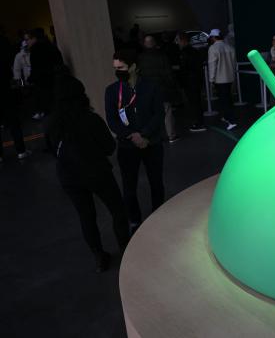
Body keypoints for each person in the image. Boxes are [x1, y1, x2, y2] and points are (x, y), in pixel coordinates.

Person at [47, 74, 129, 272]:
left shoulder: (52, 124)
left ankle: (99, 257)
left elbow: (51, 150)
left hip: (69, 177)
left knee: (86, 216)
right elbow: (109, 147)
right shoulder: (90, 119)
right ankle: (126, 250)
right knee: (117, 210)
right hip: (97, 172)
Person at [105, 49, 165, 233]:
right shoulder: (112, 91)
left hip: (151, 143)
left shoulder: (151, 86)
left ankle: (160, 214)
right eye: (115, 68)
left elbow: (159, 114)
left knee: (156, 182)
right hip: (127, 146)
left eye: (121, 67)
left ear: (133, 67)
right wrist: (133, 136)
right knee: (129, 186)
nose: (118, 71)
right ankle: (135, 220)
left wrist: (145, 135)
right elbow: (112, 120)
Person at [137, 35, 178, 142]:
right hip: (162, 88)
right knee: (167, 112)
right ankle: (171, 135)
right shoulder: (162, 56)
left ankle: (154, 136)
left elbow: (139, 75)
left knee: (150, 114)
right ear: (154, 43)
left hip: (147, 90)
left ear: (145, 44)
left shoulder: (140, 58)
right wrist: (172, 85)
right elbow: (169, 74)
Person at [0, 28, 30, 163]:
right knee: (13, 121)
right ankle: (21, 150)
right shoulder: (4, 43)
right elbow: (12, 62)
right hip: (5, 88)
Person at [27, 27, 64, 120]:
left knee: (50, 113)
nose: (27, 42)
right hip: (56, 81)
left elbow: (36, 70)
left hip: (44, 84)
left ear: (34, 38)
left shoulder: (35, 50)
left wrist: (30, 79)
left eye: (28, 39)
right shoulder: (50, 45)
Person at [208, 28, 237, 130]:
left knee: (224, 101)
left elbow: (212, 65)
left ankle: (231, 121)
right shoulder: (230, 47)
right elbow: (233, 64)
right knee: (228, 99)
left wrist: (211, 80)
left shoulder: (213, 49)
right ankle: (226, 117)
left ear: (213, 37)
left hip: (219, 80)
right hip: (229, 78)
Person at [177, 32, 206, 132]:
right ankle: (199, 122)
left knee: (194, 103)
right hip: (196, 80)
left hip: (189, 82)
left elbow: (184, 69)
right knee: (197, 102)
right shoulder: (195, 51)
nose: (178, 43)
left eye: (179, 40)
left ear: (183, 41)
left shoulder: (184, 53)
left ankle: (199, 123)